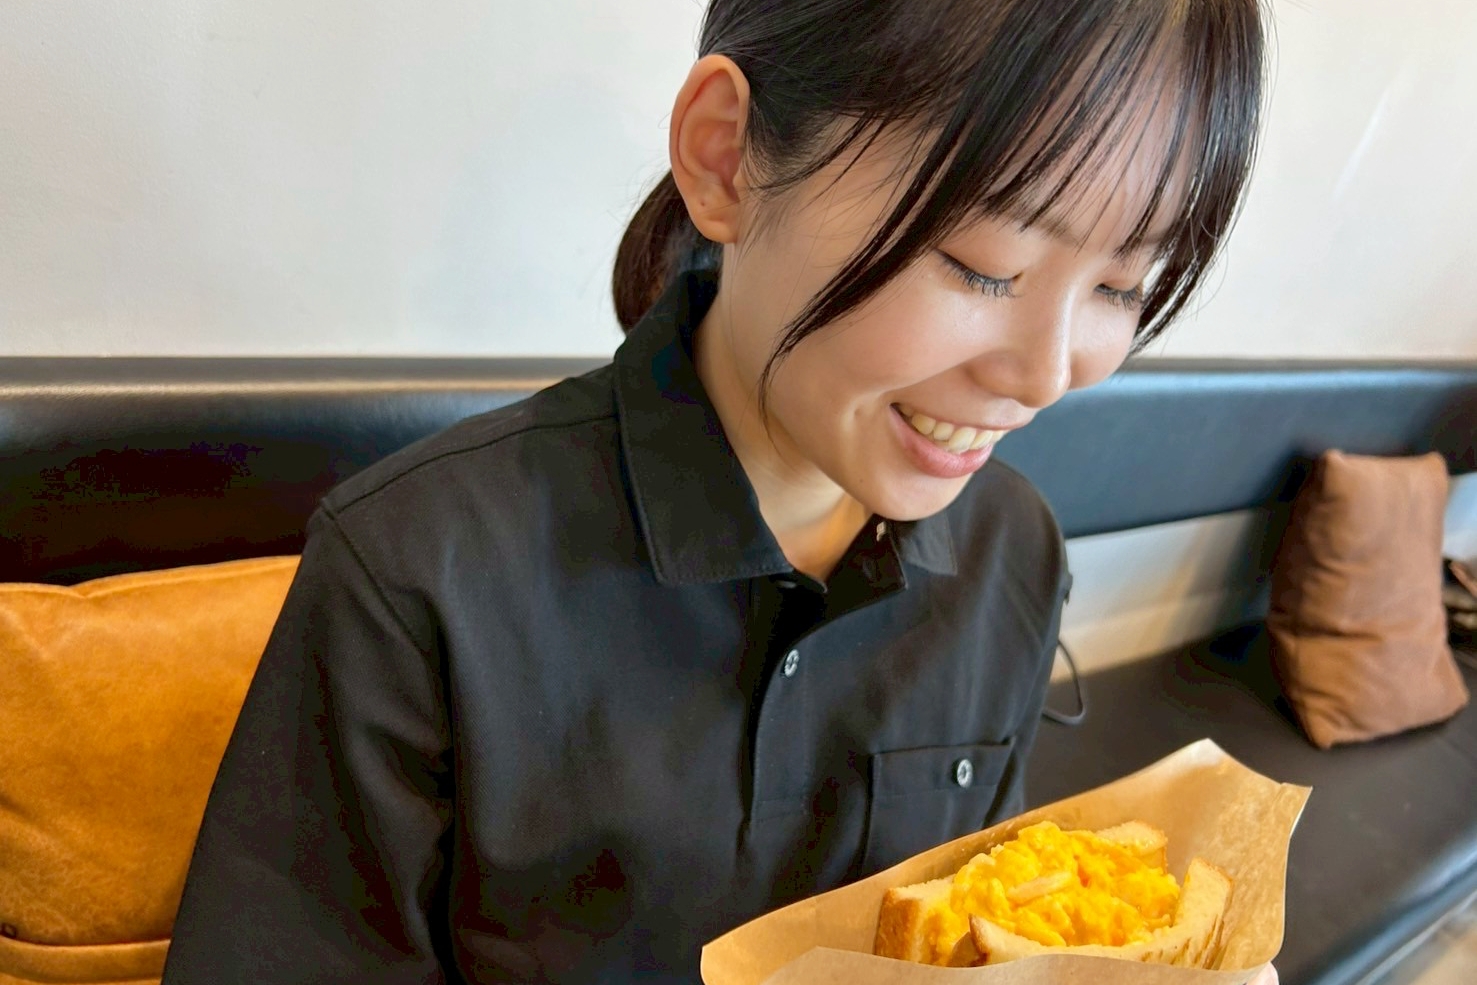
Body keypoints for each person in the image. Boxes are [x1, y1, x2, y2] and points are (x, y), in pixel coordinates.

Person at [162, 1, 1273, 982]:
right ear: (727, 156)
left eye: (1122, 286)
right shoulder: (417, 572)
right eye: (984, 263)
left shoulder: (1011, 550)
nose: (1047, 374)